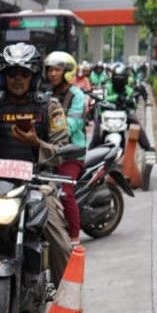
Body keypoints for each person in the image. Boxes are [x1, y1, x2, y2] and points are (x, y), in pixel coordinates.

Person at [0, 42, 73, 288]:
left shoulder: (50, 107)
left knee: (62, 244)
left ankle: (67, 299)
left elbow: (62, 152)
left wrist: (35, 143)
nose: (17, 79)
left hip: (37, 184)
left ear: (34, 76)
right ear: (3, 75)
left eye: (24, 74)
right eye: (12, 73)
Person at [44, 51, 87, 247]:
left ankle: (74, 236)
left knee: (65, 192)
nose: (52, 73)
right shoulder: (45, 94)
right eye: (50, 70)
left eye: (57, 69)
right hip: (48, 151)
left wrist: (47, 126)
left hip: (70, 152)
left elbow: (73, 124)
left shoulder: (76, 95)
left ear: (67, 72)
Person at [101, 63, 154, 151]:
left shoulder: (129, 90)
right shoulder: (107, 87)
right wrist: (116, 98)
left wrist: (129, 102)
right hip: (107, 113)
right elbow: (104, 98)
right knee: (97, 130)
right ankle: (91, 152)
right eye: (116, 78)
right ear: (113, 78)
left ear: (125, 79)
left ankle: (146, 146)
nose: (118, 81)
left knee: (135, 124)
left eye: (121, 78)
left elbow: (133, 103)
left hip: (123, 113)